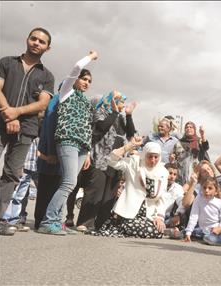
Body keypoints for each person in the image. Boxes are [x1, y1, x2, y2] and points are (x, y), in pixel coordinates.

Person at [0, 27, 54, 236]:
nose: (36, 43)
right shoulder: (6, 62)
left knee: (12, 174)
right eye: (34, 39)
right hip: (0, 121)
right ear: (27, 39)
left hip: (27, 129)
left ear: (48, 48)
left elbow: (42, 104)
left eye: (42, 41)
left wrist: (16, 113)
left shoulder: (47, 76)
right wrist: (7, 114)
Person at [37, 51, 98, 235]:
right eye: (84, 79)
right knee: (69, 182)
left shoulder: (86, 102)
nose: (86, 83)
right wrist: (91, 57)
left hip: (82, 146)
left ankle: (57, 221)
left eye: (89, 81)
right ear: (76, 79)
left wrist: (88, 152)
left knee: (67, 183)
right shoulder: (67, 92)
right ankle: (48, 221)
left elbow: (87, 127)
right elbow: (76, 68)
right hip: (67, 141)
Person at [75, 90, 136, 232]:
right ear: (110, 100)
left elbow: (131, 133)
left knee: (110, 193)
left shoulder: (120, 117)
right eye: (119, 100)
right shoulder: (100, 111)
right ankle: (85, 222)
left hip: (115, 160)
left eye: (122, 100)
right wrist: (113, 113)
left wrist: (129, 115)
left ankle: (100, 225)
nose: (122, 103)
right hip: (100, 158)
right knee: (95, 190)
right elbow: (101, 128)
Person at [94, 140, 168, 239]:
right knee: (130, 226)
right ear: (144, 155)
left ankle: (126, 230)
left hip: (148, 215)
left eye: (156, 157)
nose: (153, 160)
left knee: (158, 232)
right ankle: (122, 227)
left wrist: (159, 217)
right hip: (128, 213)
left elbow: (162, 198)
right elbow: (112, 160)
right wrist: (129, 146)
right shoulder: (134, 163)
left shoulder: (163, 172)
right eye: (149, 156)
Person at [184, 176, 221, 246]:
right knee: (206, 238)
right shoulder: (198, 200)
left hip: (219, 228)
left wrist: (219, 228)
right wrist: (188, 233)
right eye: (204, 188)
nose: (206, 190)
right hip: (205, 231)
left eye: (210, 188)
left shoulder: (219, 202)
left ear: (216, 191)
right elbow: (194, 216)